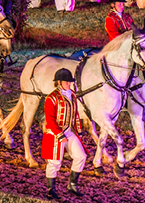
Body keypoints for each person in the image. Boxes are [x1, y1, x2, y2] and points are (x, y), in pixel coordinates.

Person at [43, 68, 87, 199]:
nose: (69, 84)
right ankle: (51, 189)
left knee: (81, 156)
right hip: (54, 133)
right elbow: (50, 119)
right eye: (67, 82)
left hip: (69, 130)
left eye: (70, 82)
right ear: (59, 82)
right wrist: (59, 135)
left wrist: (78, 129)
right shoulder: (51, 98)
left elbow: (75, 113)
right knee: (55, 162)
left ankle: (72, 184)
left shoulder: (72, 94)